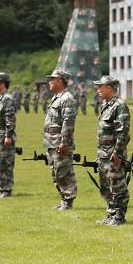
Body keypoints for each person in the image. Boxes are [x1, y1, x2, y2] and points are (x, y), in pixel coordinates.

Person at [94, 75, 131, 226]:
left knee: (118, 186)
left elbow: (123, 132)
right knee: (106, 187)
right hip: (103, 154)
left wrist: (118, 153)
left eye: (100, 86)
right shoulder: (106, 104)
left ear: (109, 88)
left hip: (113, 154)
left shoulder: (119, 105)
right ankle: (111, 213)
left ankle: (119, 216)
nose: (98, 90)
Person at [44, 69, 78, 210]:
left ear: (59, 81)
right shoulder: (57, 97)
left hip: (60, 142)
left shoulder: (67, 98)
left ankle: (68, 201)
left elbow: (68, 122)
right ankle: (64, 199)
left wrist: (64, 142)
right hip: (52, 142)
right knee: (56, 172)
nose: (49, 82)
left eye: (52, 79)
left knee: (64, 172)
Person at [0, 72, 18, 197]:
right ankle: (1, 189)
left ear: (2, 84)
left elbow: (10, 119)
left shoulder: (8, 99)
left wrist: (8, 135)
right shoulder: (0, 98)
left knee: (4, 164)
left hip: (4, 137)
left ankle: (7, 190)